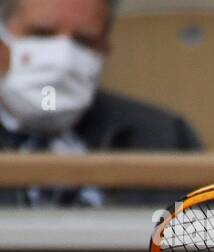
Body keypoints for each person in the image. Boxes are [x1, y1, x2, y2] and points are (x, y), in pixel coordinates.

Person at [0, 0, 201, 207]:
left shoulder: (164, 138)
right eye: (41, 34)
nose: (62, 59)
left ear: (104, 51)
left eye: (83, 41)